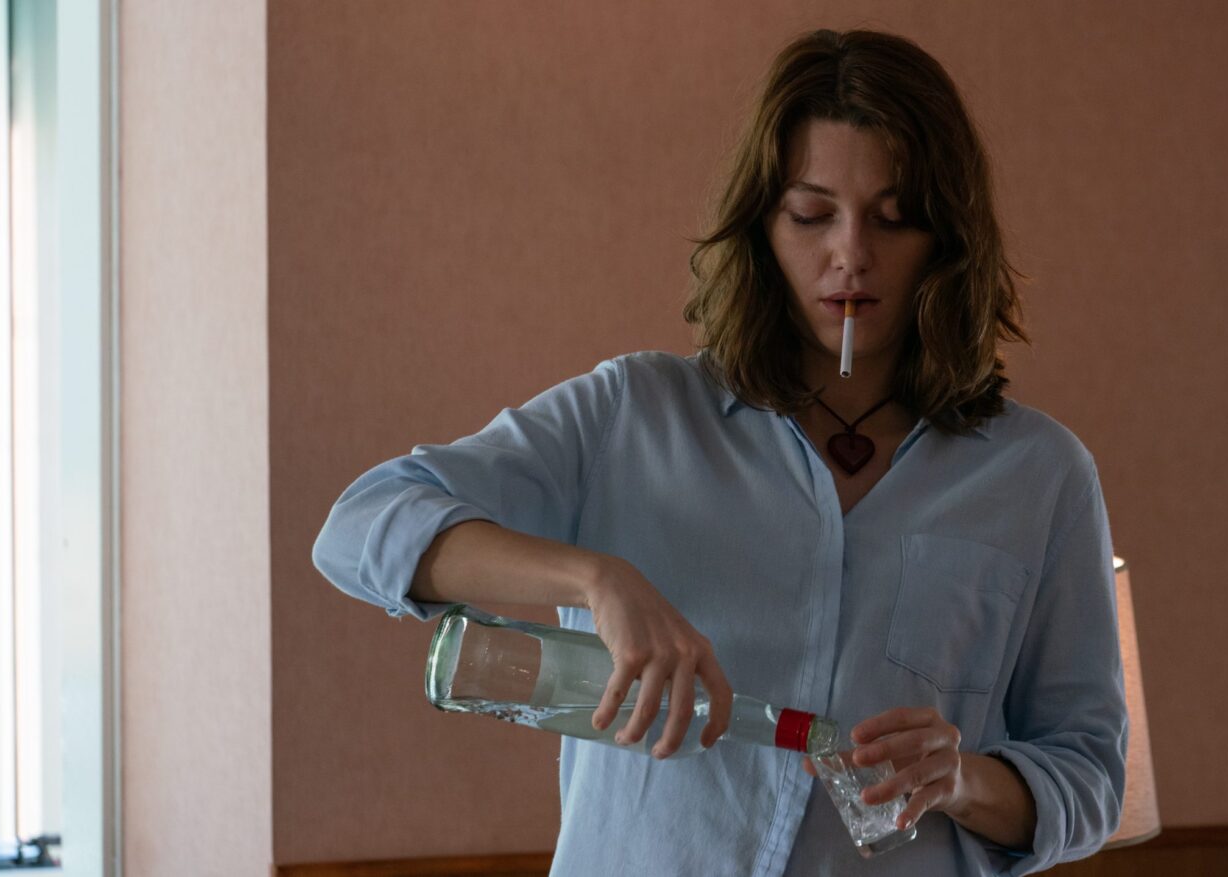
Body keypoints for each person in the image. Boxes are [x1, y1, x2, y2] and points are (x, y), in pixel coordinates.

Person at [312, 28, 1125, 877]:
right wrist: (595, 580)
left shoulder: (1040, 475)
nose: (851, 253)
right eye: (811, 214)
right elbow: (361, 524)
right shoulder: (633, 414)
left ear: (947, 238)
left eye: (893, 218)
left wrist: (962, 781)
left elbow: (1092, 776)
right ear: (761, 226)